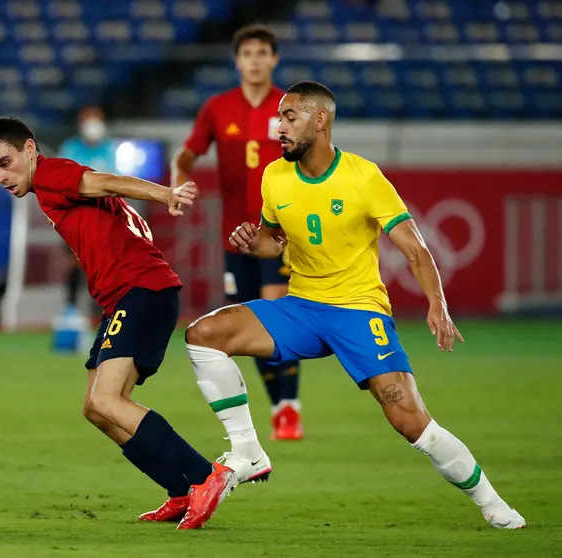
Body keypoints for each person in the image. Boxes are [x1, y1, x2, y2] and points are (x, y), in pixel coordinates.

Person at [183, 81, 526, 529]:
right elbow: (274, 242)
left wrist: (436, 304)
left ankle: (491, 502)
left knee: (410, 420)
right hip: (302, 306)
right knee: (203, 334)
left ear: (320, 119)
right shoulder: (274, 176)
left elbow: (416, 249)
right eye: (279, 118)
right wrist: (254, 243)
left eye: (290, 117)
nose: (278, 127)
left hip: (359, 311)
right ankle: (248, 450)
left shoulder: (363, 176)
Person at [0, 117, 236, 530]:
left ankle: (206, 475)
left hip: (139, 291)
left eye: (6, 163)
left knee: (107, 400)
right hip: (126, 296)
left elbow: (110, 181)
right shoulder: (49, 187)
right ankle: (179, 489)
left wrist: (164, 193)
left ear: (29, 149)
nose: (2, 177)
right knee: (95, 409)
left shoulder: (51, 174)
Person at [172, 24, 303, 442]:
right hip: (235, 235)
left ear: (274, 59)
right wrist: (177, 185)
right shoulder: (218, 108)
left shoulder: (290, 107)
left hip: (280, 230)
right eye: (247, 53)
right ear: (237, 61)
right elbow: (187, 154)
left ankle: (289, 408)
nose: (255, 60)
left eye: (263, 52)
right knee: (250, 326)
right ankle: (280, 405)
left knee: (273, 309)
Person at [57, 106, 119, 316]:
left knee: (104, 267)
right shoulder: (70, 149)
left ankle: (105, 312)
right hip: (74, 217)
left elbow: (115, 183)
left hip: (103, 218)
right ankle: (71, 311)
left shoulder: (111, 149)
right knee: (75, 264)